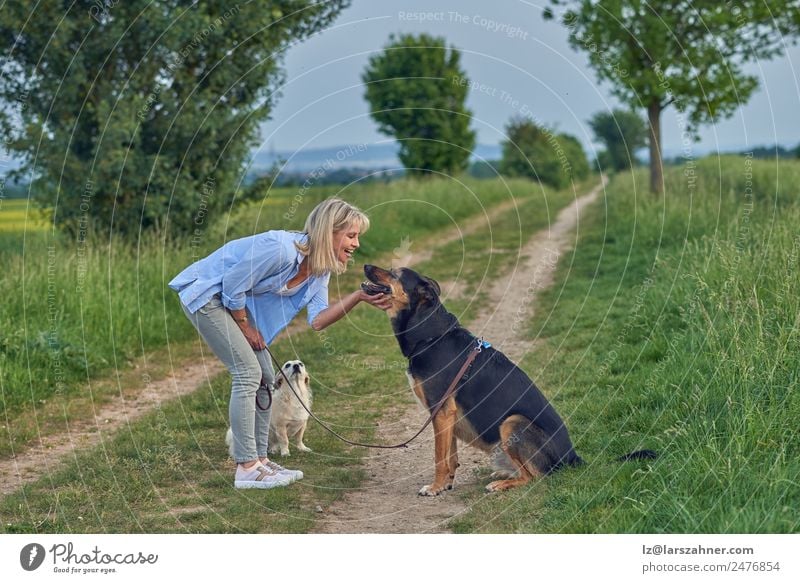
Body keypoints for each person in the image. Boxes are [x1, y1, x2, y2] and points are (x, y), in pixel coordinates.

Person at [168, 198, 391, 489]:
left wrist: (358, 297)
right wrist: (246, 327)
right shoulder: (281, 250)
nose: (357, 243)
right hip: (208, 295)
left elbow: (319, 320)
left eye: (357, 236)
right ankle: (246, 468)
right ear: (328, 232)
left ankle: (261, 461)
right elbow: (233, 284)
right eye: (351, 235)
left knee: (265, 378)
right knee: (247, 373)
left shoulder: (318, 271)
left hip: (232, 303)